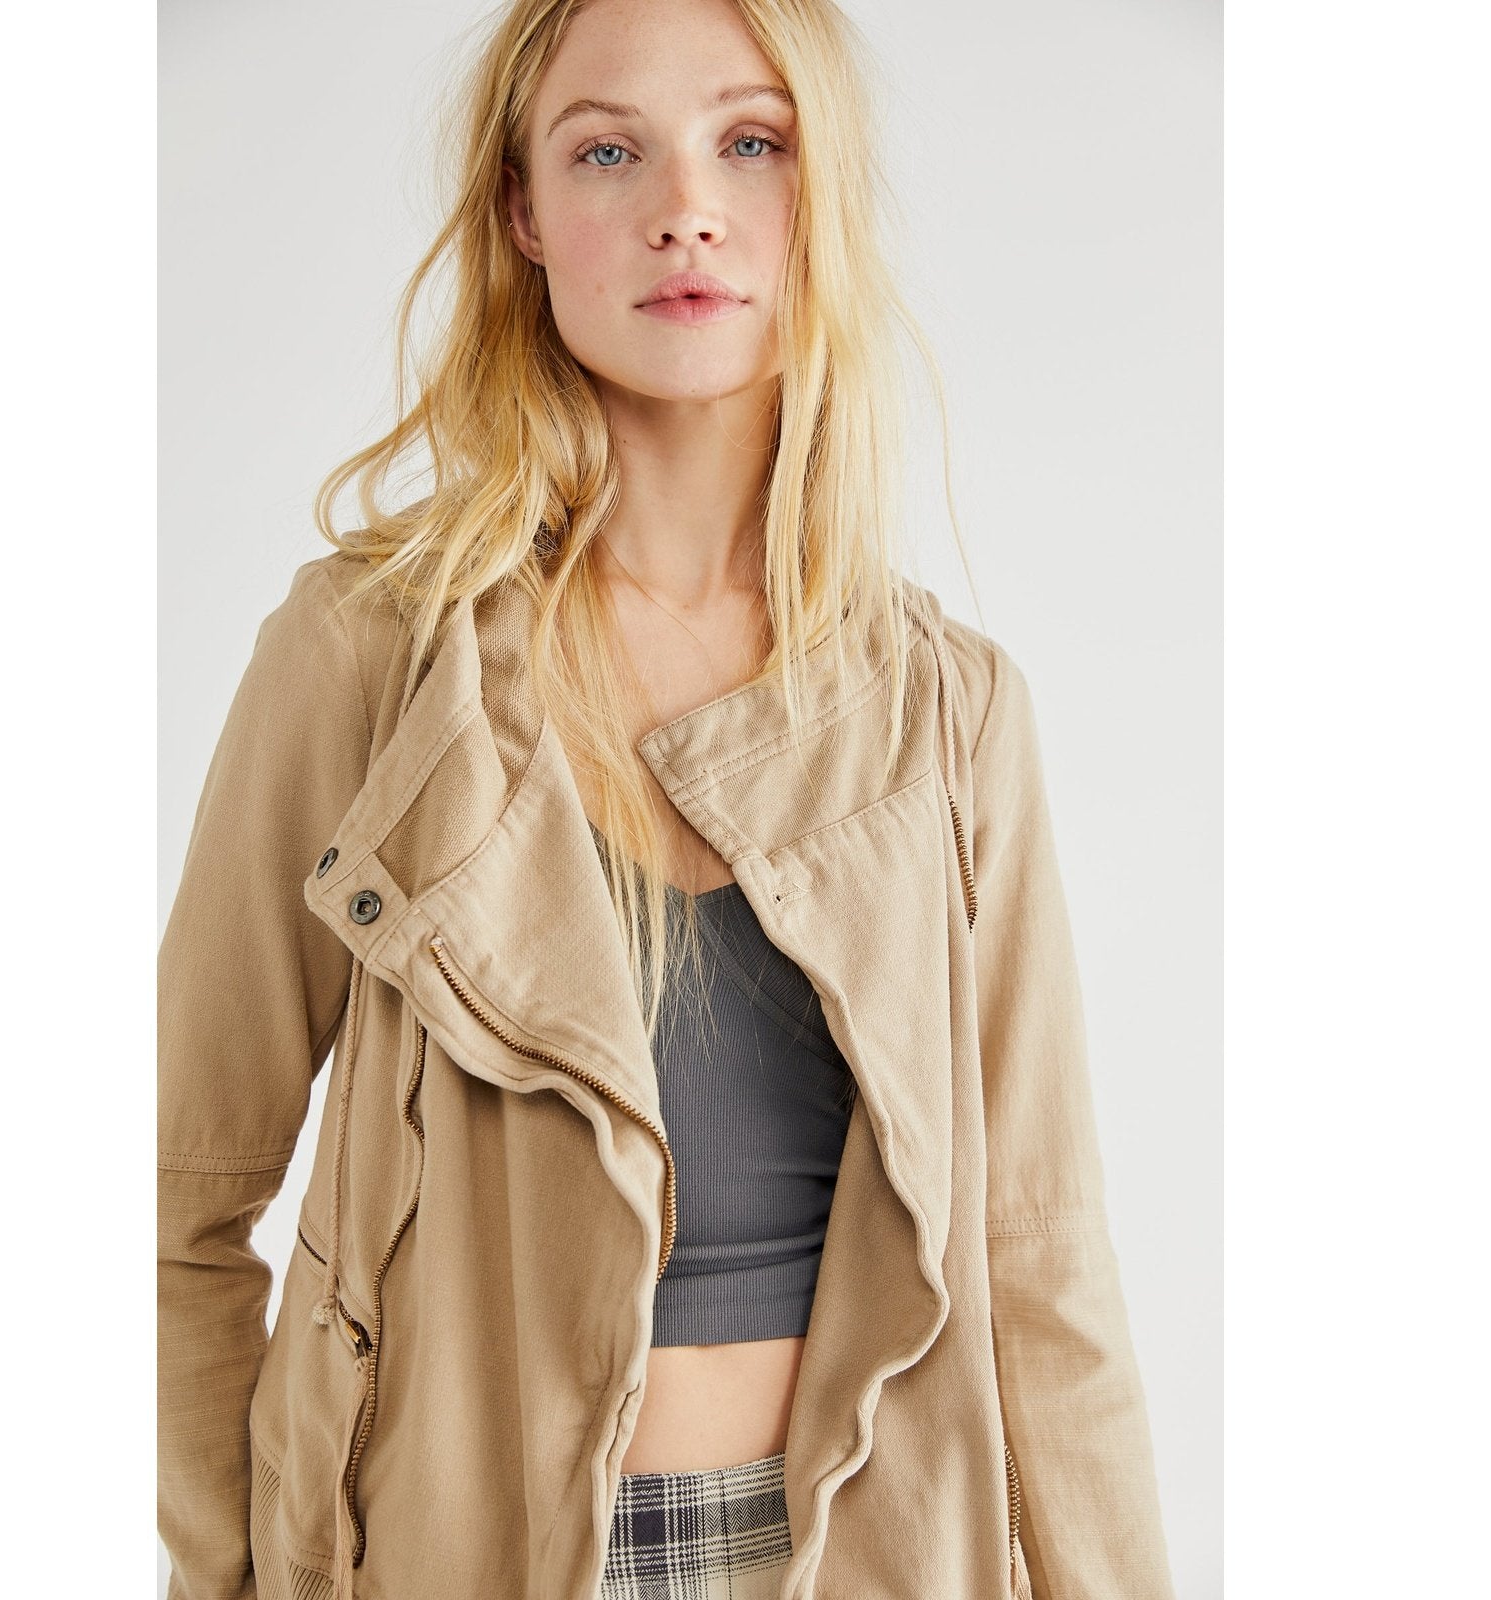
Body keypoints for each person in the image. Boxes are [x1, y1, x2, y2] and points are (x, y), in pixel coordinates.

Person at [157, 1, 1177, 1597]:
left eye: (750, 142)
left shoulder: (950, 709)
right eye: (607, 152)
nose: (685, 207)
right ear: (522, 212)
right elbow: (172, 1203)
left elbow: (1042, 1262)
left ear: (819, 193)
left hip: (868, 1559)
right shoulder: (369, 660)